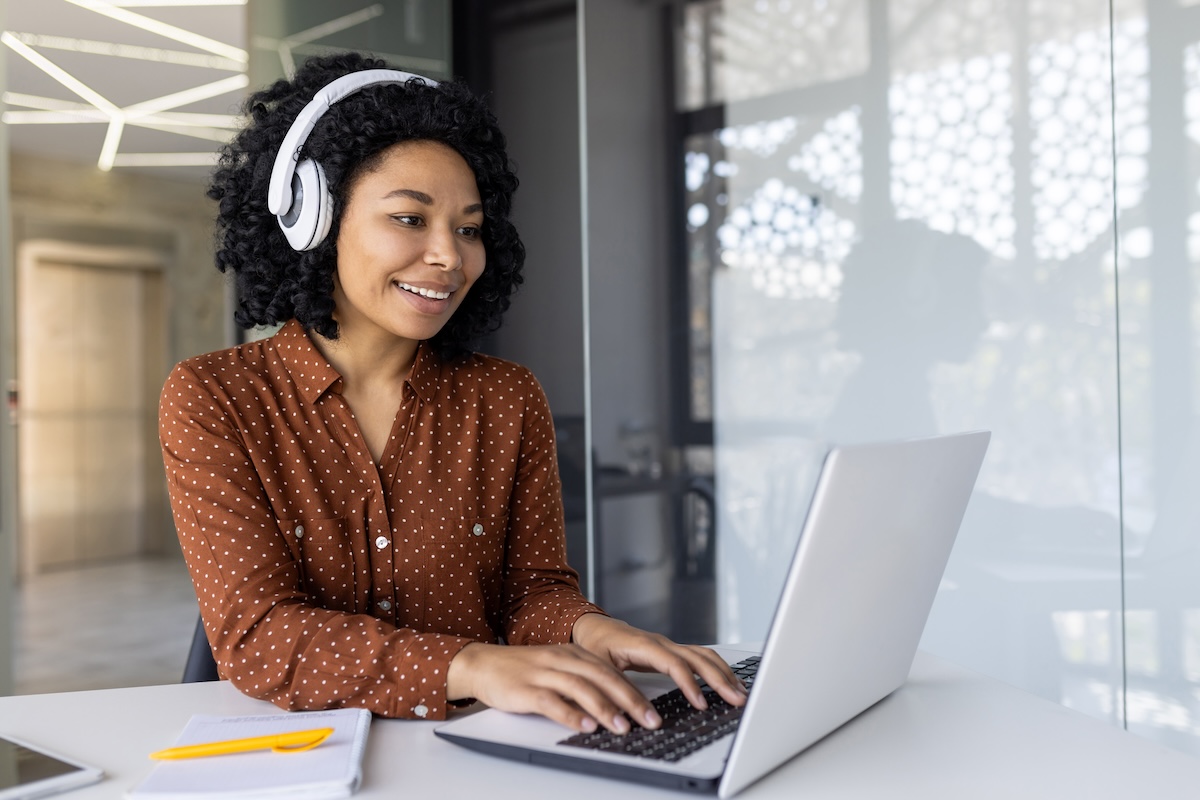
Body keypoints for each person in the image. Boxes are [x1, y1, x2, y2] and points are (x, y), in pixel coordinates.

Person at [159, 52, 745, 735]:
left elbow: (532, 595)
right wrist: (469, 667)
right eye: (410, 218)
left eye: (469, 229)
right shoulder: (216, 397)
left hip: (473, 749)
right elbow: (258, 634)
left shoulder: (506, 397)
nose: (449, 255)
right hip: (298, 757)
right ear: (313, 220)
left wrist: (591, 630)